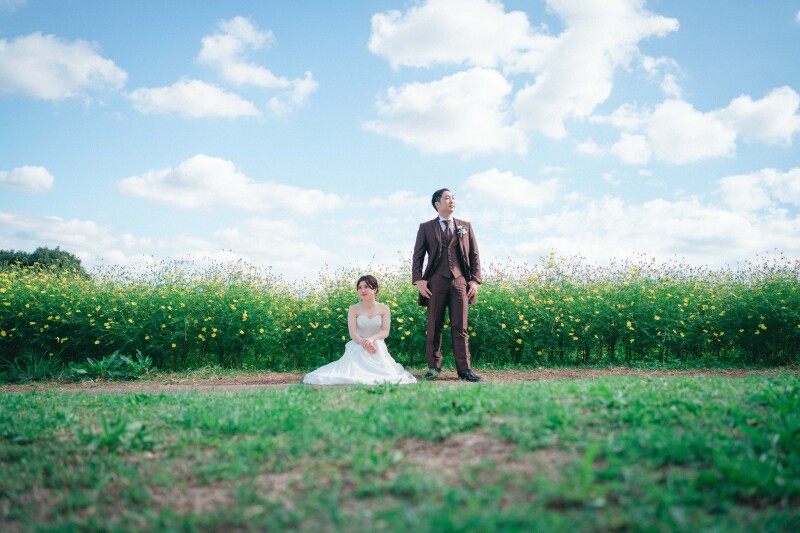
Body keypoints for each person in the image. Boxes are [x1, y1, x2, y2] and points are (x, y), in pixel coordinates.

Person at [412, 188, 482, 382]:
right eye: (447, 198)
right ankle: (434, 367)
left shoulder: (465, 226)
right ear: (437, 204)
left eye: (453, 198)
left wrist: (474, 280)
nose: (452, 201)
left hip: (460, 281)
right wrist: (419, 280)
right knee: (434, 325)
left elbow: (474, 254)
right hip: (435, 283)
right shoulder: (426, 227)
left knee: (460, 326)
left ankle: (464, 369)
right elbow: (418, 256)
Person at [303, 275, 416, 385]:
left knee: (379, 348)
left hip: (377, 343)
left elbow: (385, 331)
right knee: (353, 362)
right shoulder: (353, 309)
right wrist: (364, 343)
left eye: (366, 286)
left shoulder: (384, 308)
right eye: (360, 287)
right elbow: (353, 333)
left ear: (375, 289)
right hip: (358, 343)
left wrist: (371, 339)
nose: (363, 290)